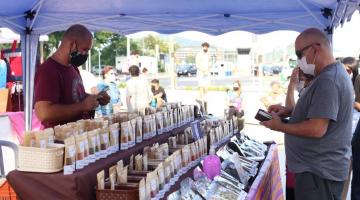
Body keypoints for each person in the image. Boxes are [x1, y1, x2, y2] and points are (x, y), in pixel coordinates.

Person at [261, 28, 353, 200]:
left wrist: (280, 126)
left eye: (299, 54)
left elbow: (317, 128)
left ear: (315, 48)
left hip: (318, 174)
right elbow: (320, 114)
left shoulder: (328, 80)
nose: (298, 60)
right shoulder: (330, 75)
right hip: (317, 172)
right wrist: (289, 111)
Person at [34, 24, 110, 128]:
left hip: (78, 136)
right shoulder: (48, 70)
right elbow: (44, 113)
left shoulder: (73, 67)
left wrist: (95, 98)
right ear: (73, 45)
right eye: (85, 49)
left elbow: (76, 97)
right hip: (60, 140)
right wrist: (83, 106)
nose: (86, 54)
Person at [196, 42, 211, 113]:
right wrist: (203, 70)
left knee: (207, 87)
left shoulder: (208, 55)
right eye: (204, 47)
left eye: (207, 47)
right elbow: (197, 65)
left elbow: (209, 63)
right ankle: (201, 101)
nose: (206, 48)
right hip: (201, 73)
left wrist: (208, 69)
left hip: (207, 73)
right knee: (201, 87)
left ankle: (201, 98)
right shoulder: (199, 54)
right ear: (202, 47)